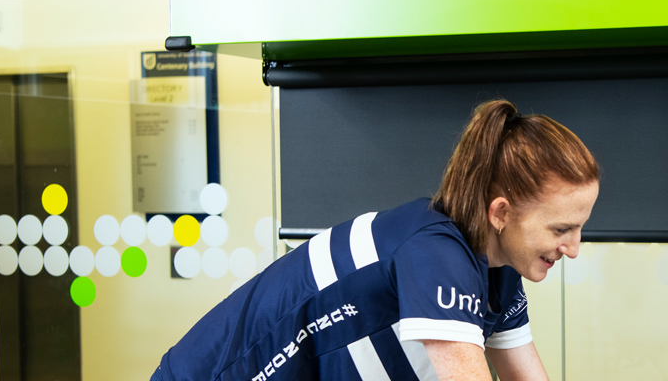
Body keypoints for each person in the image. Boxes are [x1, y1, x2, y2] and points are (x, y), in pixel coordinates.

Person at [152, 100, 600, 381]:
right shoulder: (434, 253)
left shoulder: (497, 273)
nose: (574, 248)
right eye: (561, 229)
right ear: (500, 213)